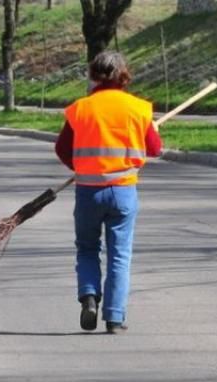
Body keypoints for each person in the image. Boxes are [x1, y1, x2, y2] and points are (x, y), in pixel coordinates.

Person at [55, 51, 162, 334]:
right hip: (123, 190)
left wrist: (80, 167)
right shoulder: (139, 108)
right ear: (123, 75)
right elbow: (155, 148)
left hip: (88, 191)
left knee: (88, 248)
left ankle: (89, 297)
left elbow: (62, 149)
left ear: (93, 75)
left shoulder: (80, 108)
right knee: (119, 254)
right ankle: (114, 317)